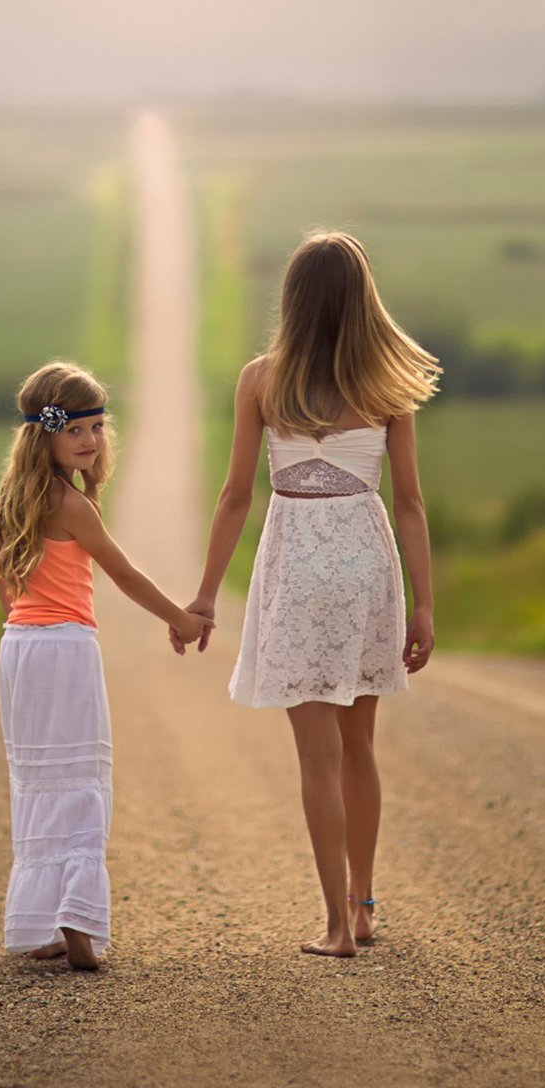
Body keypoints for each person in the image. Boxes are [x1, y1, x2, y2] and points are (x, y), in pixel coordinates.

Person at [182, 232, 439, 957]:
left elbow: (236, 495)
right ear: (364, 301)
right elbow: (412, 502)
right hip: (365, 559)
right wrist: (424, 603)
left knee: (316, 756)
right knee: (360, 746)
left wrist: (205, 596)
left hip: (296, 562)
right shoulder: (387, 386)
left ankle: (333, 925)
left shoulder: (260, 379)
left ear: (291, 300)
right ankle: (363, 907)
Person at [0, 360, 205, 971]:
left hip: (20, 651)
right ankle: (77, 924)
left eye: (98, 427)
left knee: (39, 781)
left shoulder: (11, 506)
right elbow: (124, 573)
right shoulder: (73, 506)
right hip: (66, 649)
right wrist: (180, 618)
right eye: (75, 428)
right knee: (80, 779)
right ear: (43, 435)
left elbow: (9, 594)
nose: (90, 439)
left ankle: (49, 918)